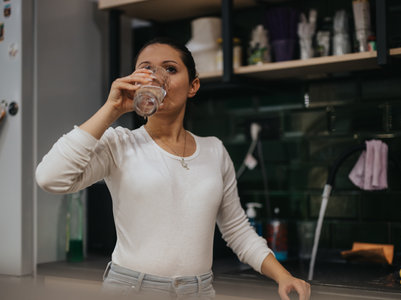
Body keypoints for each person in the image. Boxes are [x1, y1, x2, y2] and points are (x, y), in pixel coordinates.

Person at [35, 37, 311, 300]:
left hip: (199, 291)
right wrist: (112, 109)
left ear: (193, 86)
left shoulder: (214, 150)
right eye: (146, 68)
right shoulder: (120, 143)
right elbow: (51, 178)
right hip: (131, 289)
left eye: (170, 68)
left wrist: (283, 276)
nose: (156, 76)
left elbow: (237, 230)